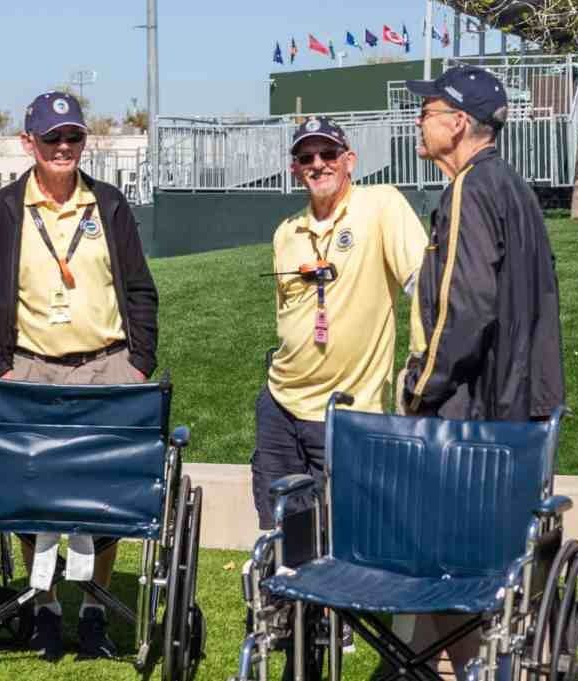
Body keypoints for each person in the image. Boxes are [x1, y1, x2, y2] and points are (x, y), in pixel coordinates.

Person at [0, 90, 158, 661]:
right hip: (28, 368)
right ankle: (44, 608)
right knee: (29, 493)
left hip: (106, 365)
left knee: (108, 492)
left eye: (73, 137)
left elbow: (141, 291)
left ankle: (94, 609)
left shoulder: (110, 205)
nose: (64, 148)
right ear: (29, 144)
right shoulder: (3, 210)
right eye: (53, 139)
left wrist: (137, 361)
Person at [391, 65, 566, 680]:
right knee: (480, 572)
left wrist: (417, 387)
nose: (419, 119)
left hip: (477, 418)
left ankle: (462, 669)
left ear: (459, 123)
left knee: (442, 563)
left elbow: (464, 312)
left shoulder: (471, 188)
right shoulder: (512, 186)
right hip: (521, 410)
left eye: (428, 110)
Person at [250, 116, 428, 663]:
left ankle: (335, 617)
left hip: (346, 407)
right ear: (294, 168)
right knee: (281, 515)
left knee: (337, 523)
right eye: (307, 157)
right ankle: (287, 609)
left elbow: (424, 281)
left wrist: (422, 361)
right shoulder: (287, 233)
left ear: (350, 159)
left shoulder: (381, 207)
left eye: (329, 153)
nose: (318, 164)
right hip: (282, 398)